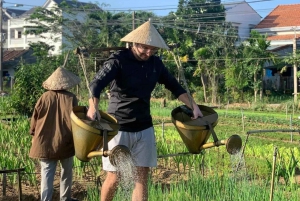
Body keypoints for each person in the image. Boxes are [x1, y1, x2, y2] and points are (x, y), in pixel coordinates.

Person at [87, 20, 203, 201]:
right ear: (134, 43)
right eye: (145, 48)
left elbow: (175, 87)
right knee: (114, 175)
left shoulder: (155, 64)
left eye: (153, 49)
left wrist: (194, 107)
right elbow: (96, 84)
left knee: (142, 176)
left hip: (144, 127)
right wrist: (93, 107)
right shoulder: (118, 60)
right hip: (119, 127)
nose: (149, 53)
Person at [29, 67, 80, 201]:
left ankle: (46, 199)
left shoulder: (44, 97)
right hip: (66, 140)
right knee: (66, 172)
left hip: (44, 141)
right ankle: (65, 198)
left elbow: (34, 119)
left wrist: (33, 134)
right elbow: (77, 119)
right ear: (66, 83)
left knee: (46, 173)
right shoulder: (71, 98)